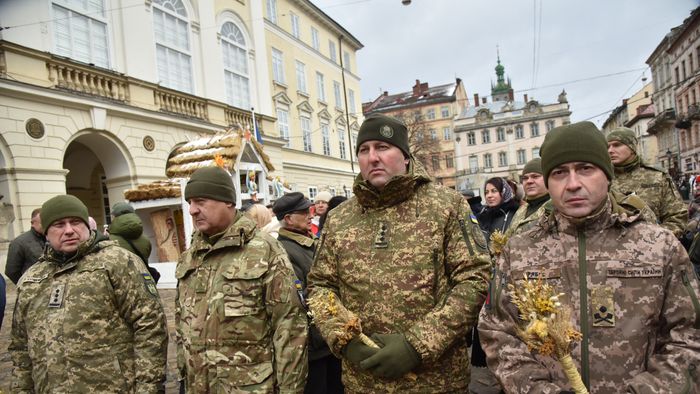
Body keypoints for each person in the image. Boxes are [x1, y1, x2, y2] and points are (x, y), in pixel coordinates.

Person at [479, 121, 700, 393]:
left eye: (586, 169)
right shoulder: (520, 250)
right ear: (548, 181)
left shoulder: (658, 245)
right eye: (559, 172)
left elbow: (689, 336)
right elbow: (498, 332)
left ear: (607, 175)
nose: (573, 184)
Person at [307, 113, 491, 393]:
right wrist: (344, 337)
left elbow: (474, 279)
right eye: (364, 150)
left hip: (434, 381)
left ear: (405, 156)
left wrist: (416, 345)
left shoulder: (446, 206)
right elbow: (320, 286)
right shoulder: (339, 218)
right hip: (363, 381)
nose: (373, 158)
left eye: (383, 147)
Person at [9, 195, 168, 392]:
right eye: (59, 224)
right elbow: (20, 346)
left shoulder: (118, 262)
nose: (69, 230)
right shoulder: (32, 278)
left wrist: (148, 388)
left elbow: (150, 326)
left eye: (75, 222)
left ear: (87, 225)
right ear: (46, 232)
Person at [175, 166, 308, 393]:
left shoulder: (264, 250)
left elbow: (290, 328)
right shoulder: (189, 256)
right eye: (190, 203)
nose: (192, 211)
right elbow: (181, 324)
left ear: (227, 201)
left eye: (200, 201)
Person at [274, 192, 344, 394]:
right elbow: (299, 298)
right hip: (313, 345)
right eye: (304, 212)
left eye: (310, 210)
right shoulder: (285, 251)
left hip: (329, 339)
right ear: (288, 219)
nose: (310, 215)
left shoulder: (310, 242)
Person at [606, 127, 687, 238]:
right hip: (610, 249)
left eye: (617, 145)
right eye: (608, 146)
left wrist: (656, 240)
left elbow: (677, 216)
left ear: (632, 147)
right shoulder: (602, 178)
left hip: (652, 248)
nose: (610, 150)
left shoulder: (656, 176)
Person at [108, 201, 159, 283]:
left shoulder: (109, 240)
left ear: (114, 217)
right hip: (143, 283)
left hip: (121, 284)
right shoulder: (146, 240)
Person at [507, 158, 551, 236]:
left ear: (547, 179)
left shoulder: (555, 208)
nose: (529, 181)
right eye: (525, 178)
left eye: (535, 176)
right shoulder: (521, 210)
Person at [5, 208, 45, 284]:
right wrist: (26, 285)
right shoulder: (19, 243)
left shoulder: (52, 239)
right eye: (42, 222)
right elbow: (11, 271)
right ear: (32, 223)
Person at [477, 177, 520, 244]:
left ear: (504, 192)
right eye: (486, 192)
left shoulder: (516, 214)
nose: (489, 196)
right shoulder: (482, 216)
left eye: (494, 191)